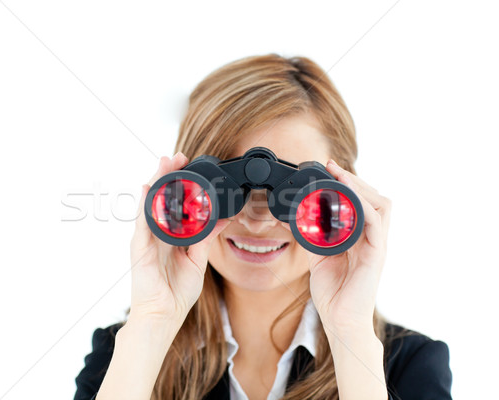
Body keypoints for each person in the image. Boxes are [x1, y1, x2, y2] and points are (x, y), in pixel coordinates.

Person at [73, 54, 452, 400]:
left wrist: (350, 333)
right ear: (183, 187)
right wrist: (153, 322)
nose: (259, 218)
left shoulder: (407, 366)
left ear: (344, 196)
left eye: (298, 194)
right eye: (223, 190)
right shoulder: (124, 355)